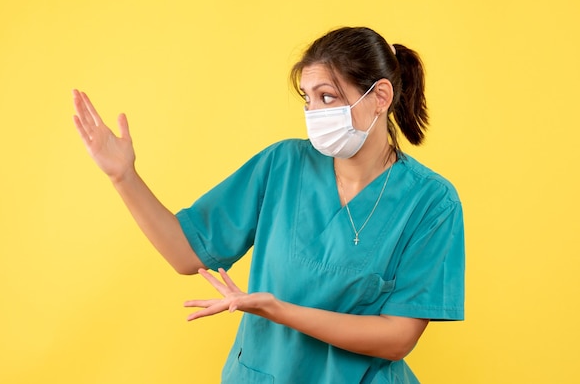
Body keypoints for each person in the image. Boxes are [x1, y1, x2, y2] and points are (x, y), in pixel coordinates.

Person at [73, 26, 465, 384]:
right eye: (308, 99)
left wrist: (279, 310)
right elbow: (185, 254)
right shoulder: (283, 165)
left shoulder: (431, 202)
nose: (314, 113)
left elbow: (397, 338)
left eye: (328, 97)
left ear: (380, 97)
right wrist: (123, 176)